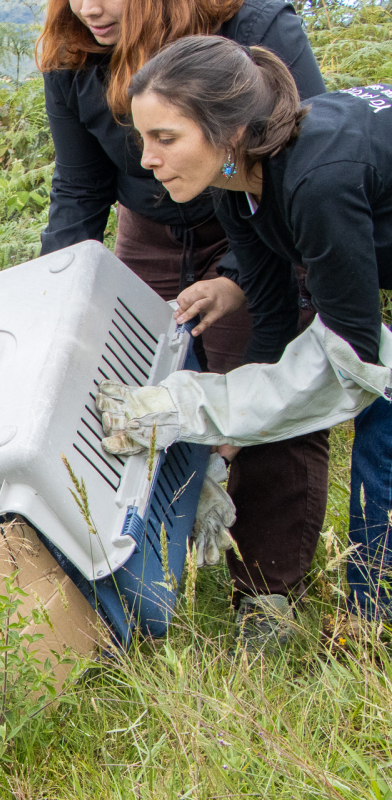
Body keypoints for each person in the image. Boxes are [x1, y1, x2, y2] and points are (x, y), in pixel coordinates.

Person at [36, 0, 329, 640]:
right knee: (121, 386)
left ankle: (266, 596)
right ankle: (131, 584)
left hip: (257, 213)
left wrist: (239, 277)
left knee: (266, 381)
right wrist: (55, 299)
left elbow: (302, 166)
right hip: (152, 227)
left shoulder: (252, 29)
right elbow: (80, 189)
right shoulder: (73, 52)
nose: (88, 10)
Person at [98, 35, 392, 626]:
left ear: (227, 129)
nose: (147, 160)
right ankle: (373, 611)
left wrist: (197, 408)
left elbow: (351, 359)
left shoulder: (319, 181)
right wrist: (228, 444)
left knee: (383, 429)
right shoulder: (238, 190)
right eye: (142, 139)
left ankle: (372, 621)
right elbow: (276, 322)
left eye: (166, 138)